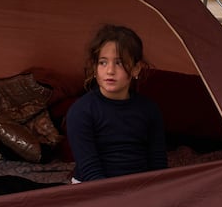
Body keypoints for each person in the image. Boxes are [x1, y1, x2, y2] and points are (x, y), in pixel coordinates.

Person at [65, 24, 167, 182]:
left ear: (136, 69)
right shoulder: (81, 111)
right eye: (103, 63)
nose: (110, 71)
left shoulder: (149, 110)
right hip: (93, 188)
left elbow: (158, 164)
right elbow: (89, 170)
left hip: (141, 189)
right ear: (94, 67)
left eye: (119, 63)